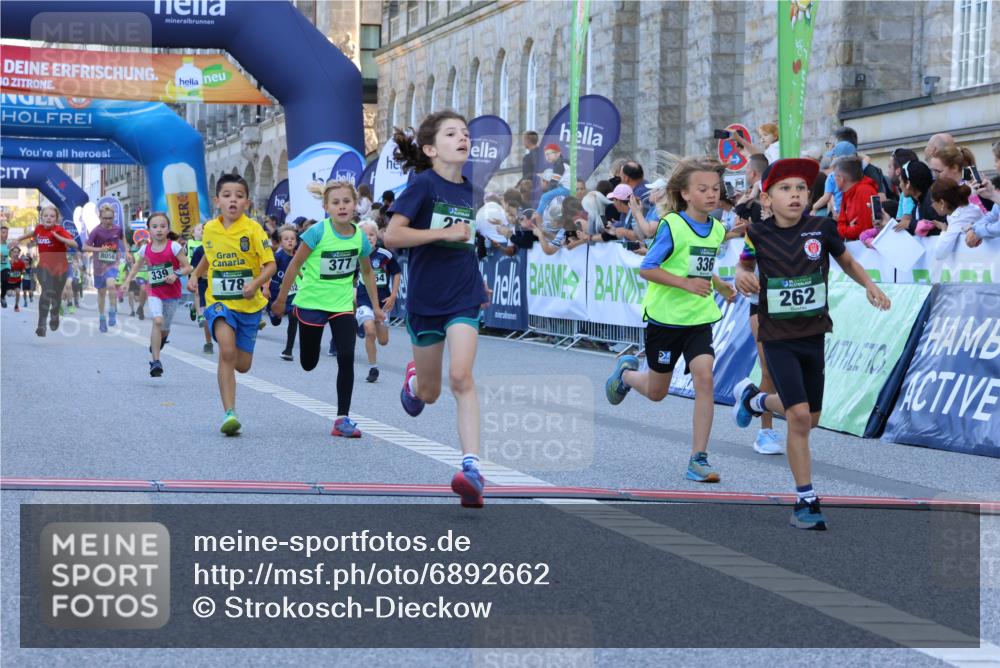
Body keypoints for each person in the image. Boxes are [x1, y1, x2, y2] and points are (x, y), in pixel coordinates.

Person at [733, 158, 891, 530]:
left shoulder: (822, 228)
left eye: (801, 189)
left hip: (813, 335)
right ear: (767, 198)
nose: (795, 195)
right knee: (799, 416)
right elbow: (744, 265)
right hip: (777, 336)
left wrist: (870, 285)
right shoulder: (758, 233)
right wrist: (741, 276)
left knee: (810, 418)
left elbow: (848, 261)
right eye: (785, 189)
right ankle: (805, 498)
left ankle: (754, 399)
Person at [605, 156, 737, 483]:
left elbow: (701, 266)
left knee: (704, 378)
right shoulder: (672, 225)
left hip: (698, 319)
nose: (710, 194)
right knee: (656, 392)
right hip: (665, 320)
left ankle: (698, 458)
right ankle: (627, 375)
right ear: (686, 194)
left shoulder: (717, 229)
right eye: (702, 189)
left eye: (715, 189)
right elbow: (647, 268)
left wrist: (720, 285)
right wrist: (685, 284)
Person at [383, 110, 491, 508]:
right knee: (429, 393)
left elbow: (465, 241)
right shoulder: (422, 185)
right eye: (451, 134)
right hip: (427, 300)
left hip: (463, 295)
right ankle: (413, 383)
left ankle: (472, 470)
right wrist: (443, 232)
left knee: (461, 376)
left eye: (465, 133)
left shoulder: (469, 188)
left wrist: (479, 280)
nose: (463, 138)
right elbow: (392, 236)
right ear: (430, 149)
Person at [272, 181, 383, 437]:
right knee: (308, 363)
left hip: (342, 305)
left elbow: (367, 271)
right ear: (326, 207)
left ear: (355, 205)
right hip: (311, 303)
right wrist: (280, 300)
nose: (342, 206)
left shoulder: (359, 236)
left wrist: (375, 306)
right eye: (336, 202)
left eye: (347, 201)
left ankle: (342, 418)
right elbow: (294, 265)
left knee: (346, 355)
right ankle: (303, 336)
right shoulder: (317, 233)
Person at [187, 174, 276, 435]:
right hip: (219, 303)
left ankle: (241, 348)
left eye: (238, 196)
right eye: (227, 196)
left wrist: (255, 283)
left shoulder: (254, 230)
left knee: (242, 364)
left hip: (249, 305)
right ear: (217, 201)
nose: (232, 200)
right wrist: (194, 275)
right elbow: (208, 258)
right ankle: (229, 413)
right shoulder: (211, 229)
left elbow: (270, 265)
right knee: (226, 351)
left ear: (247, 202)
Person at [122, 212, 192, 377]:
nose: (159, 230)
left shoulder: (174, 246)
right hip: (154, 291)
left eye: (163, 226)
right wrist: (126, 282)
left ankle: (158, 343)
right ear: (149, 230)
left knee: (165, 329)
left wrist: (176, 274)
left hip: (172, 293)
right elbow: (136, 267)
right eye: (155, 227)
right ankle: (156, 361)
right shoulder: (145, 248)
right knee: (157, 321)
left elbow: (188, 267)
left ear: (168, 229)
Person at [16, 205, 79, 337]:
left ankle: (54, 314)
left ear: (56, 219)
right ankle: (41, 324)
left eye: (52, 216)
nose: (48, 218)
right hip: (44, 267)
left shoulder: (59, 230)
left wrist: (60, 238)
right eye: (45, 216)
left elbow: (75, 244)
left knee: (56, 296)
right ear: (41, 217)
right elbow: (33, 233)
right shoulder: (39, 228)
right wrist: (19, 239)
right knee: (46, 292)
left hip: (60, 269)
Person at [355, 220, 401, 382]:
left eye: (372, 234)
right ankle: (373, 368)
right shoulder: (356, 254)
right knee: (370, 331)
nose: (368, 238)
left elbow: (396, 273)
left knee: (383, 341)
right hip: (363, 299)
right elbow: (351, 277)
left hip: (382, 301)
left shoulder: (385, 254)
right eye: (364, 235)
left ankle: (368, 323)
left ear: (377, 236)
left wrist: (393, 295)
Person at [81, 203, 125, 332]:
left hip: (112, 262)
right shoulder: (96, 231)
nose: (107, 221)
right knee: (101, 292)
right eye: (105, 218)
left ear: (113, 217)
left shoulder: (117, 229)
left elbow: (123, 239)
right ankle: (101, 318)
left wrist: (127, 251)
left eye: (110, 218)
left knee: (111, 285)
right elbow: (85, 247)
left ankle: (112, 311)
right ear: (100, 217)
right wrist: (99, 249)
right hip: (99, 264)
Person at [928, 178, 983, 260]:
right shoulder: (965, 207)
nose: (931, 205)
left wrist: (944, 230)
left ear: (942, 203)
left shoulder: (959, 218)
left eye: (933, 202)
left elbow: (940, 254)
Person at [269, 224, 300, 361]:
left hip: (293, 294)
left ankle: (288, 350)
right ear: (281, 241)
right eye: (286, 239)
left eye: (292, 239)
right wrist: (265, 288)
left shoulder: (299, 256)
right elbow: (267, 273)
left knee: (294, 317)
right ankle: (274, 314)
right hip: (277, 293)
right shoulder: (277, 257)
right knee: (275, 321)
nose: (290, 241)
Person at [834, 156, 878, 241]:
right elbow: (841, 224)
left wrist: (847, 229)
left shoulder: (864, 191)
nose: (833, 179)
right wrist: (848, 229)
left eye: (834, 175)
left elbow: (863, 230)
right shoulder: (847, 192)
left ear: (841, 178)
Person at [896, 160, 947, 235]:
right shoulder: (919, 203)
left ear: (908, 183)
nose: (900, 185)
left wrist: (912, 225)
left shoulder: (932, 201)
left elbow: (944, 227)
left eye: (901, 181)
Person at [188, 240, 214, 354]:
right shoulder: (200, 250)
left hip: (219, 284)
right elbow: (194, 269)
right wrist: (194, 282)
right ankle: (209, 343)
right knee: (207, 314)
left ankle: (194, 307)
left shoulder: (224, 245)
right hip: (203, 283)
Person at [7, 246, 25, 312]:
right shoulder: (8, 261)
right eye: (14, 252)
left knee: (18, 292)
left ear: (19, 253)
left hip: (17, 280)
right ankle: (10, 291)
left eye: (17, 252)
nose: (16, 253)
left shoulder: (21, 262)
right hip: (9, 281)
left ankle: (16, 305)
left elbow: (23, 270)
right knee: (9, 294)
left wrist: (23, 272)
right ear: (12, 253)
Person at [0, 225, 10, 308]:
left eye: (7, 233)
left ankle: (2, 297)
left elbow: (13, 253)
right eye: (3, 232)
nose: (6, 234)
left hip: (5, 266)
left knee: (5, 280)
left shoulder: (8, 244)